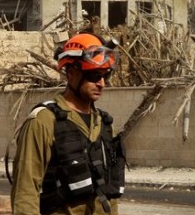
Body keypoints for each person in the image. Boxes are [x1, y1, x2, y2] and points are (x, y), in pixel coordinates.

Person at [10, 33, 126, 215]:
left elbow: (110, 193)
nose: (102, 83)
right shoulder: (44, 121)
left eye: (106, 75)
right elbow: (25, 192)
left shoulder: (104, 124)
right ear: (71, 73)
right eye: (94, 75)